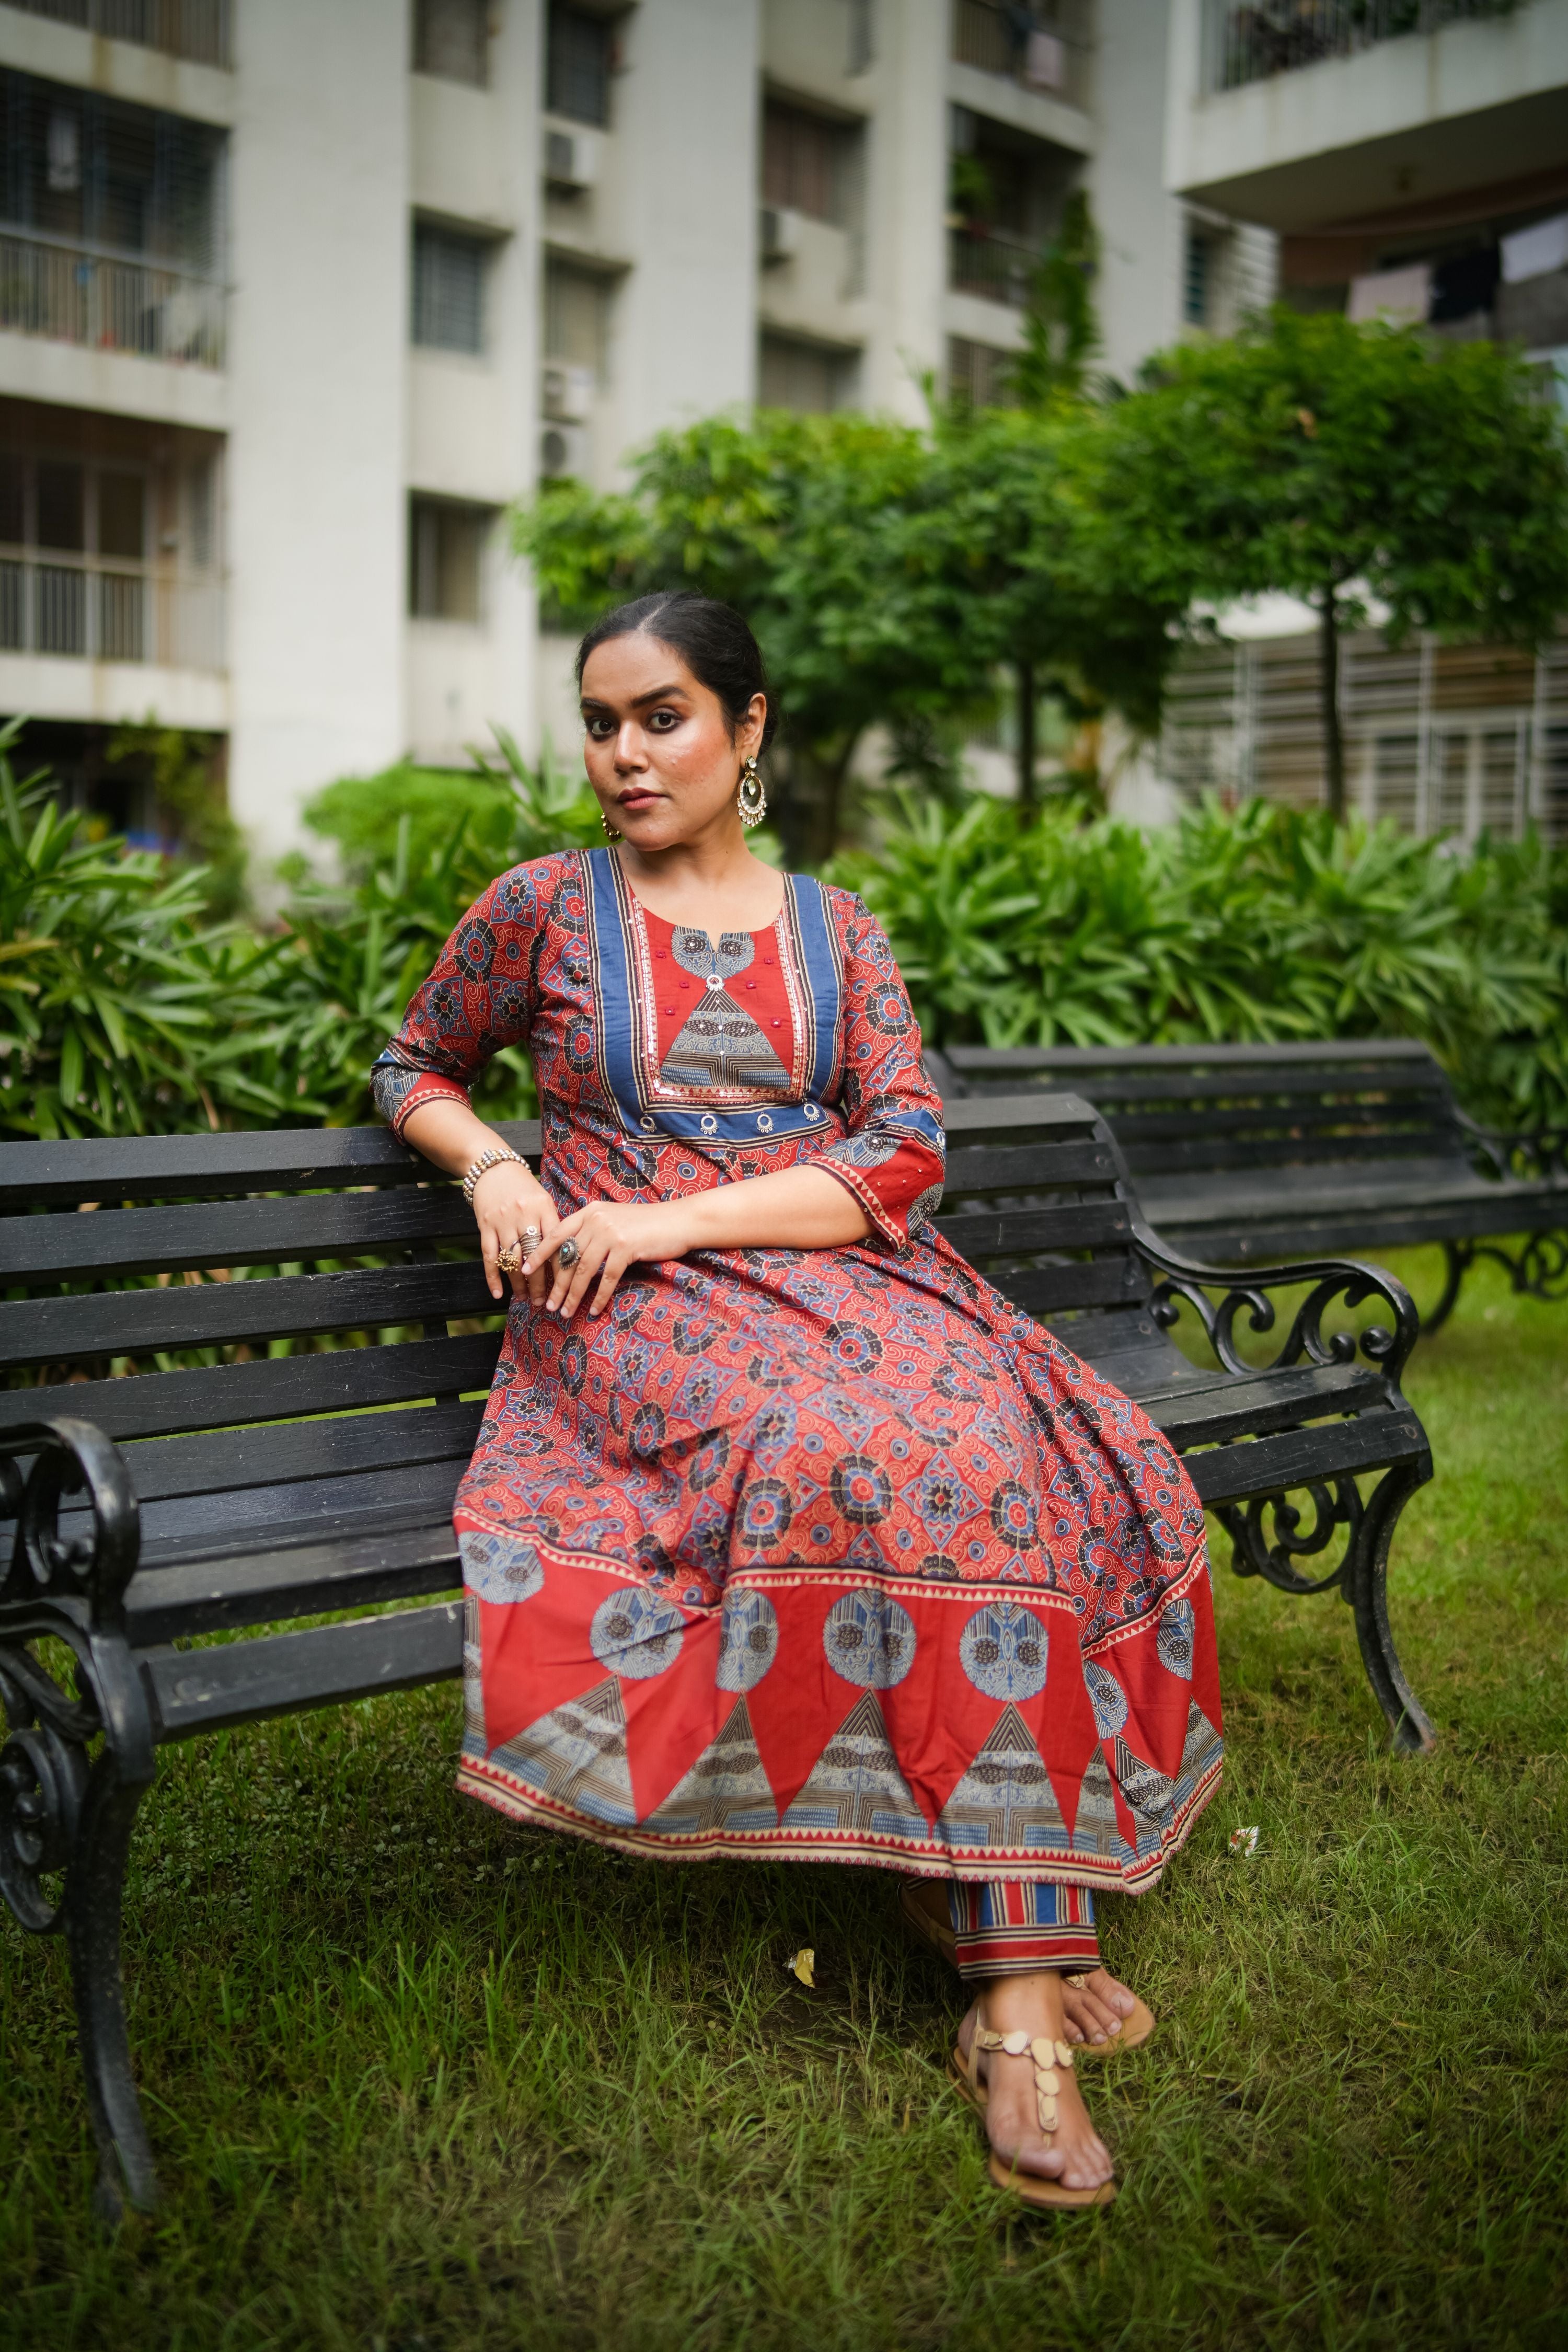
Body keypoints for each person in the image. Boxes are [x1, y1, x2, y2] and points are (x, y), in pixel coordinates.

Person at [373, 592, 1224, 2210]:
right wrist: (492, 1163)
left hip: (825, 1279)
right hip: (632, 1320)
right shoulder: (543, 909)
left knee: (1032, 1440)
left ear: (748, 726)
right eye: (603, 721)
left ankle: (991, 1921)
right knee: (870, 1446)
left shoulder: (838, 931)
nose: (626, 754)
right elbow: (412, 1062)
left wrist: (680, 1213)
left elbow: (903, 1147)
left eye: (664, 716)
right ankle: (1024, 1980)